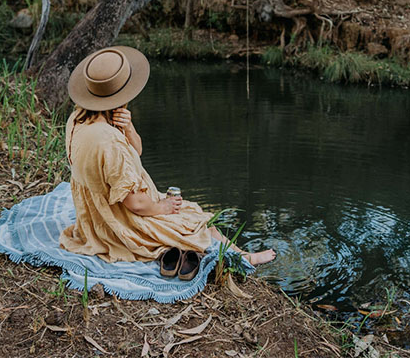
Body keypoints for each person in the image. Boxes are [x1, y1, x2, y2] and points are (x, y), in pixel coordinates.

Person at [59, 46, 276, 270]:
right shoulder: (108, 140)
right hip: (116, 218)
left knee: (189, 212)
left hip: (93, 214)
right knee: (197, 223)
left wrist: (129, 128)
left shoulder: (77, 120)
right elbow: (135, 203)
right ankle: (244, 258)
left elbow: (136, 151)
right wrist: (162, 207)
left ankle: (240, 254)